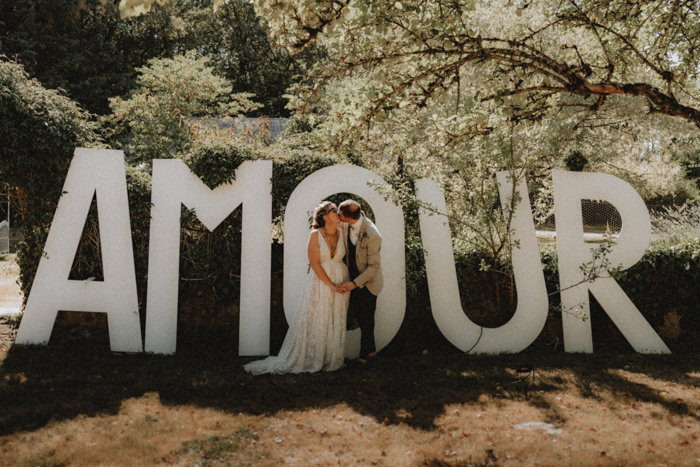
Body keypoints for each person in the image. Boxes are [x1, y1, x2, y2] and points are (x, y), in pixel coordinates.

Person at [244, 201, 350, 375]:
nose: (338, 212)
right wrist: (331, 286)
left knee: (335, 316)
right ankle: (313, 358)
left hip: (341, 279)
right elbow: (314, 264)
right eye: (334, 210)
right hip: (320, 282)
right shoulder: (315, 234)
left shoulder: (343, 232)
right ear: (324, 216)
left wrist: (343, 284)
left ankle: (331, 358)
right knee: (318, 317)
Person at [337, 200, 383, 364]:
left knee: (367, 318)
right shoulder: (346, 225)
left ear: (348, 218)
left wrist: (354, 284)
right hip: (351, 278)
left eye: (340, 215)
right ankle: (371, 351)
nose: (338, 216)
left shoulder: (373, 234)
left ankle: (365, 357)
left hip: (368, 282)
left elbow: (373, 267)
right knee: (360, 316)